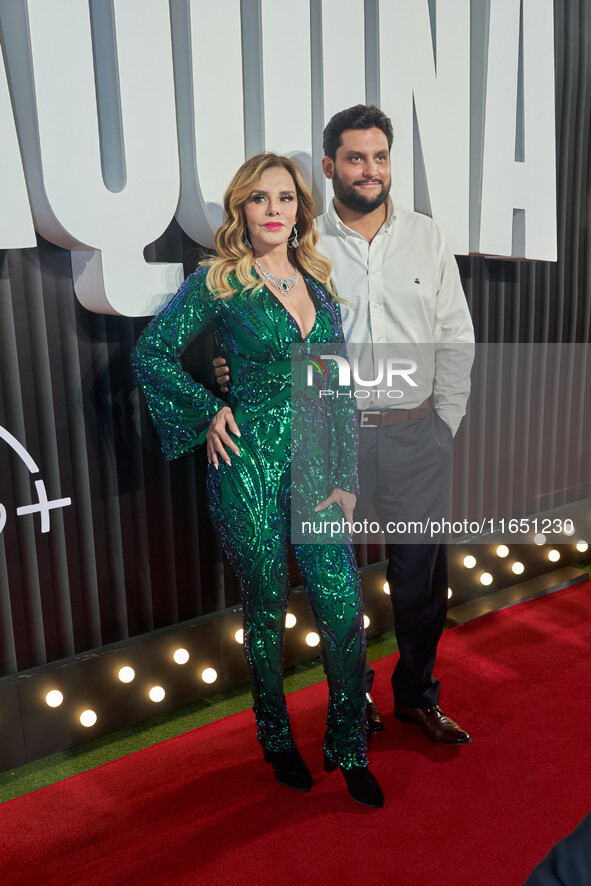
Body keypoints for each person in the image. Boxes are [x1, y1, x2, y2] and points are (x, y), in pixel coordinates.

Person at [132, 152, 384, 808]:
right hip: (247, 464)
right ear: (240, 212)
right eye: (259, 199)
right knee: (265, 603)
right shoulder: (219, 282)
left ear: (300, 210)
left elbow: (334, 389)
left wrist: (345, 478)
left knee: (339, 605)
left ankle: (348, 743)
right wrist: (206, 408)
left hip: (318, 469)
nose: (273, 209)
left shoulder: (319, 285)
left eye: (285, 198)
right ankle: (275, 738)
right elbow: (152, 352)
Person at [216, 105, 475, 744]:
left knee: (420, 579)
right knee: (336, 585)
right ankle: (352, 699)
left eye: (380, 157)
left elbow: (454, 336)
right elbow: (253, 325)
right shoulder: (302, 241)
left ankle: (417, 694)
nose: (370, 170)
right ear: (329, 167)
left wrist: (444, 423)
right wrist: (230, 371)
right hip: (330, 437)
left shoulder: (427, 235)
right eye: (355, 158)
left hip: (417, 435)